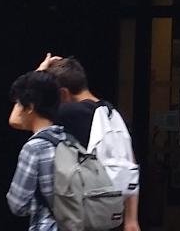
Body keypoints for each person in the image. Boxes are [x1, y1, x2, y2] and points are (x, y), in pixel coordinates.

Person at [39, 56, 141, 231]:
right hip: (112, 215)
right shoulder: (114, 115)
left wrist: (40, 74)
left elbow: (21, 116)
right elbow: (130, 166)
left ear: (63, 93)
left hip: (82, 215)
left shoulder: (69, 113)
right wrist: (132, 220)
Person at [6, 70, 66, 231]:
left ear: (30, 107)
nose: (17, 110)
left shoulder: (34, 148)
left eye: (19, 104)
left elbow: (17, 204)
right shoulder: (68, 140)